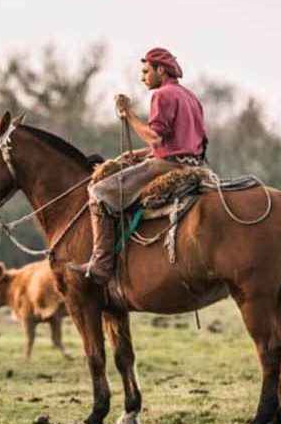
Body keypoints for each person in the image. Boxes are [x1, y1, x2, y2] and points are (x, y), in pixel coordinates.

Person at [67, 47, 208, 284]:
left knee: (99, 192)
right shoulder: (190, 96)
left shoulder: (162, 95)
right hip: (196, 164)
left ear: (160, 70)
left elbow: (155, 138)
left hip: (169, 167)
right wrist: (134, 156)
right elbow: (178, 142)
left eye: (145, 71)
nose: (142, 77)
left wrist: (127, 113)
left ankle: (101, 263)